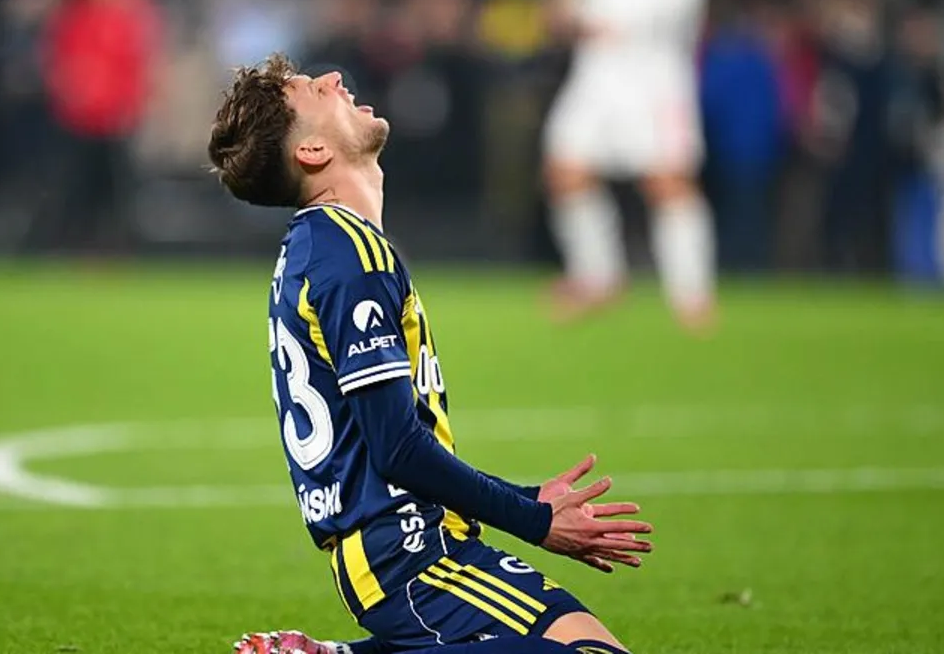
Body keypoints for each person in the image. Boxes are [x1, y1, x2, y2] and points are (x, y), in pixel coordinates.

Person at [207, 54, 653, 654]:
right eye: (316, 90)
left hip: (422, 541)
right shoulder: (348, 256)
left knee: (592, 643)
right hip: (410, 558)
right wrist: (537, 522)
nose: (335, 79)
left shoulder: (324, 245)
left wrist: (530, 498)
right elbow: (398, 449)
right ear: (312, 152)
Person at [542, 0, 715, 330]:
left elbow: (619, 21)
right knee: (565, 171)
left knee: (667, 183)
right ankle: (597, 278)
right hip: (596, 77)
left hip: (651, 81)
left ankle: (692, 293)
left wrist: (572, 12)